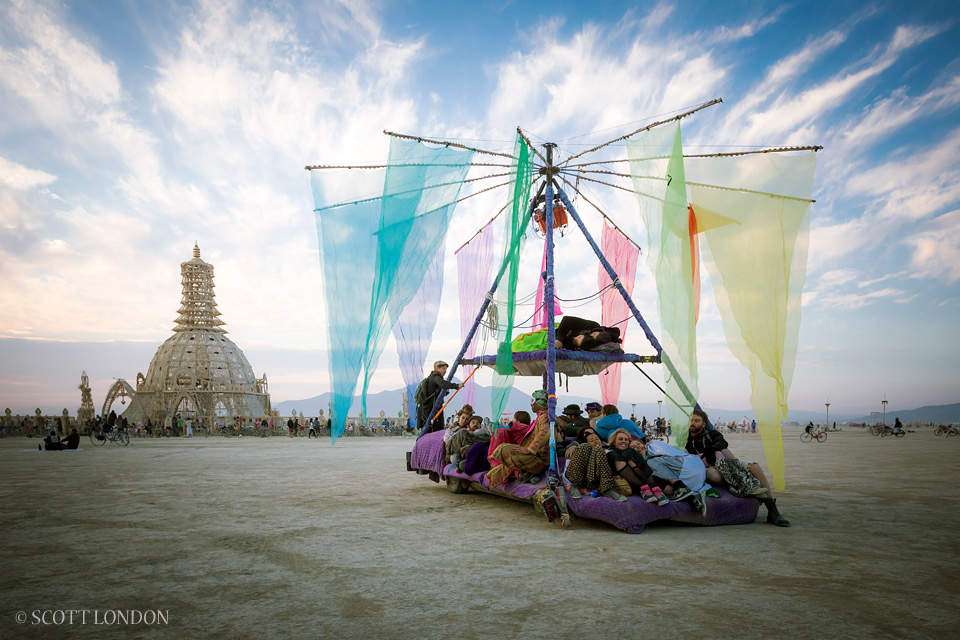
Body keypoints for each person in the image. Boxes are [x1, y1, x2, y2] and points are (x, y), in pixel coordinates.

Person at [685, 408, 789, 527]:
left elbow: (722, 443)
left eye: (697, 421)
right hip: (709, 467)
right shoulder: (685, 438)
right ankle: (744, 484)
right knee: (712, 473)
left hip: (727, 463)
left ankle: (772, 510)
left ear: (704, 424)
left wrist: (711, 450)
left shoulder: (711, 434)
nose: (693, 423)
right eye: (691, 420)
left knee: (755, 466)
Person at [486, 391, 552, 488]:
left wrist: (530, 449)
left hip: (538, 461)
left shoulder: (544, 417)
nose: (531, 404)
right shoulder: (541, 417)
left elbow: (545, 432)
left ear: (540, 402)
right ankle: (524, 473)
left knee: (504, 450)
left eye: (533, 400)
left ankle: (525, 472)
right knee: (503, 449)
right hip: (535, 458)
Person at [562, 426, 624, 501]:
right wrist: (574, 445)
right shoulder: (580, 448)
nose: (596, 441)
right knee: (584, 447)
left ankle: (608, 489)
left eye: (597, 438)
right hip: (577, 477)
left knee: (598, 449)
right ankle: (575, 486)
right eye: (591, 440)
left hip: (592, 480)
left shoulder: (606, 450)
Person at [416, 361, 463, 436]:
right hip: (431, 410)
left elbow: (437, 391)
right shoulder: (435, 377)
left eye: (446, 369)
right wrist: (456, 386)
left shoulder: (431, 378)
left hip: (427, 409)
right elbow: (443, 384)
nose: (445, 371)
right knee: (435, 430)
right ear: (436, 368)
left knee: (429, 431)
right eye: (443, 369)